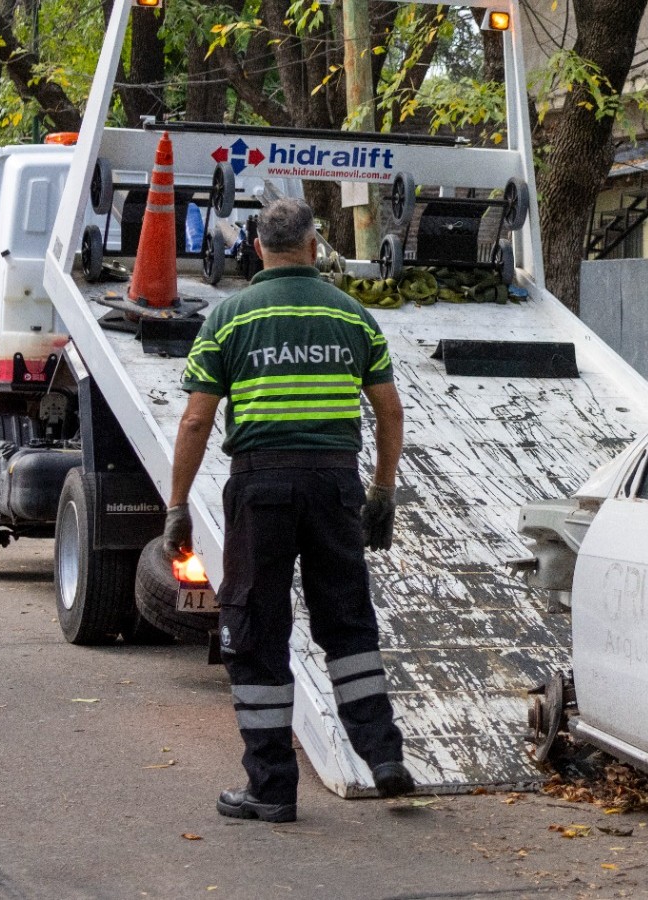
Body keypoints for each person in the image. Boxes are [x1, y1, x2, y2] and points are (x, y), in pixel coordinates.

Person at [164, 197, 413, 824]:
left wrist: (176, 505)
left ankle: (272, 787)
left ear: (257, 249)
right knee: (348, 622)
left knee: (256, 630)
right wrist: (382, 491)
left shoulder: (227, 319)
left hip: (261, 490)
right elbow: (389, 410)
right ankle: (383, 756)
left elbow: (197, 419)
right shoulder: (353, 316)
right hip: (335, 488)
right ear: (312, 246)